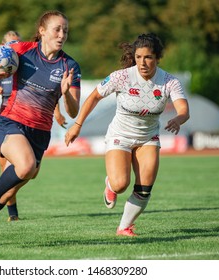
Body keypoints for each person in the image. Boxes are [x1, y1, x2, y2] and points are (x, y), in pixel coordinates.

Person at [0, 10, 81, 247]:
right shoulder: (21, 48)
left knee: (11, 190)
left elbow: (73, 111)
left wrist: (66, 94)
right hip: (10, 122)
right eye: (57, 29)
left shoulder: (70, 65)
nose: (62, 34)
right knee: (25, 166)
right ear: (42, 31)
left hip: (40, 132)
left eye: (65, 30)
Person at [65, 33, 189, 237]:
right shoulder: (121, 77)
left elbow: (184, 109)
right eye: (138, 57)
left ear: (157, 58)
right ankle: (110, 185)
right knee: (120, 184)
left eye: (148, 57)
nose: (143, 62)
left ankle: (124, 227)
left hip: (148, 137)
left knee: (144, 188)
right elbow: (94, 96)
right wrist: (77, 125)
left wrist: (178, 118)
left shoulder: (169, 81)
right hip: (120, 135)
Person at [0, 31, 68, 222]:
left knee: (31, 172)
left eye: (17, 42)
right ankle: (10, 213)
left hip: (32, 124)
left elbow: (47, 94)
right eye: (10, 43)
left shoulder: (24, 65)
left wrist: (58, 113)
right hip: (9, 122)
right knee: (8, 171)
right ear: (3, 47)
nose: (15, 46)